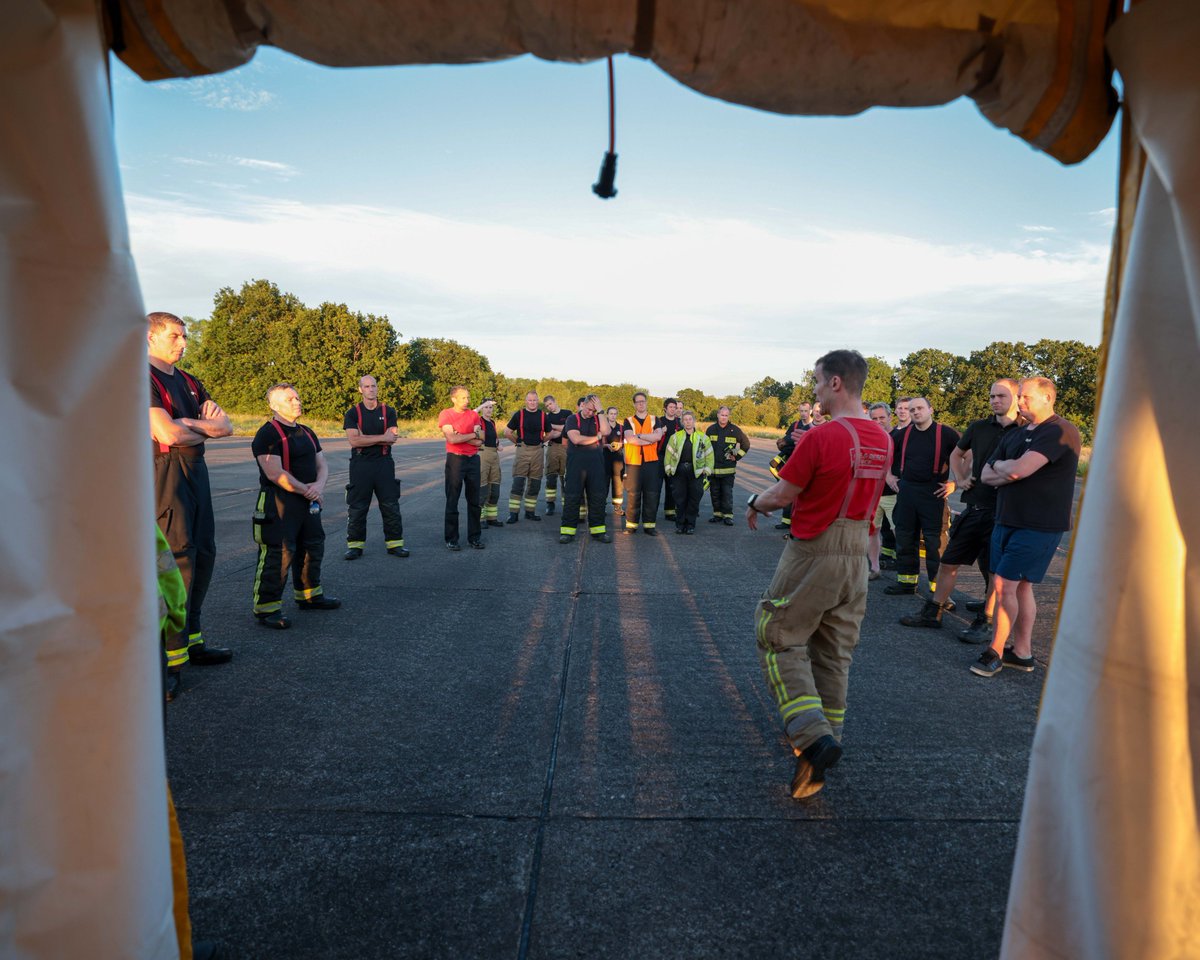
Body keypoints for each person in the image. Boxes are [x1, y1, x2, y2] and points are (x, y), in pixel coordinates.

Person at [745, 350, 891, 799]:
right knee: (833, 654)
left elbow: (782, 495)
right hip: (857, 558)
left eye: (815, 380)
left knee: (777, 634)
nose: (811, 389)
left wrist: (754, 504)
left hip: (815, 552)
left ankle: (811, 736)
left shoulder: (822, 436)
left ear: (835, 384)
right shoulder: (885, 440)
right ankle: (820, 756)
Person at [147, 312, 234, 699]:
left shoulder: (190, 381)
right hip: (163, 474)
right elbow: (165, 432)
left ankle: (192, 642)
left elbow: (226, 427)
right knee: (175, 564)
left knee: (204, 556)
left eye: (185, 336)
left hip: (195, 471)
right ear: (149, 338)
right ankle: (164, 663)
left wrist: (189, 424)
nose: (183, 343)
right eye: (175, 336)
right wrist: (197, 427)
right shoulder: (140, 379)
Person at [970, 377, 1081, 677]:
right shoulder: (1015, 435)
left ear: (1047, 397)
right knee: (1020, 588)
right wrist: (1009, 469)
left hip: (1038, 525)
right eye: (1019, 397)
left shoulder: (1060, 431)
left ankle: (994, 650)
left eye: (1026, 397)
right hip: (1006, 519)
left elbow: (1018, 470)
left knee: (1005, 585)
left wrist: (1007, 468)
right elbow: (985, 475)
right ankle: (1022, 653)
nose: (1019, 403)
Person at [898, 380, 1019, 634]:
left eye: (1001, 396)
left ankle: (985, 621)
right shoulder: (979, 427)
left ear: (1017, 397)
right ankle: (934, 611)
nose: (995, 400)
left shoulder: (1025, 429)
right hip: (975, 507)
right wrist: (962, 480)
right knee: (949, 560)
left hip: (1004, 511)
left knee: (993, 569)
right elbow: (957, 453)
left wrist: (953, 483)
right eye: (992, 395)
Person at [250, 383, 340, 628]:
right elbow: (274, 473)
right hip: (278, 502)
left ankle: (309, 596)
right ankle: (267, 609)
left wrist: (319, 487)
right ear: (274, 405)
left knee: (312, 546)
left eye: (297, 397)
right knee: (278, 553)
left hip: (307, 499)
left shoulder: (307, 432)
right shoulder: (267, 434)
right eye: (290, 399)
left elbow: (321, 464)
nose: (297, 402)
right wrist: (308, 490)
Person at [884, 397, 960, 596]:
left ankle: (939, 592)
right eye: (912, 409)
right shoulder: (902, 435)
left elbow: (966, 455)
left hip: (934, 493)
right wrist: (889, 476)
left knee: (935, 544)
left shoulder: (946, 433)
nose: (916, 412)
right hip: (907, 492)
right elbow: (886, 455)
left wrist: (957, 483)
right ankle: (907, 583)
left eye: (920, 408)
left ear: (930, 409)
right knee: (905, 538)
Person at [342, 374, 407, 560]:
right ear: (360, 389)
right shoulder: (352, 413)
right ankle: (355, 546)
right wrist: (381, 438)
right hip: (360, 465)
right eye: (367, 386)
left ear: (377, 388)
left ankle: (395, 544)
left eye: (374, 386)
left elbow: (392, 438)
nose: (371, 389)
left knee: (390, 505)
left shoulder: (390, 411)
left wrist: (366, 438)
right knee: (357, 507)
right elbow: (354, 440)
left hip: (384, 463)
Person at [558, 394, 613, 544]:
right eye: (589, 409)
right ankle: (567, 532)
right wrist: (596, 437)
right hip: (576, 464)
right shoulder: (572, 419)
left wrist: (601, 411)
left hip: (596, 464)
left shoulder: (598, 417)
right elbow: (576, 439)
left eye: (594, 411)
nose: (590, 413)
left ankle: (598, 531)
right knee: (572, 497)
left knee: (597, 497)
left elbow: (606, 431)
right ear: (582, 405)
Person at [438, 385, 485, 550]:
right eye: (463, 397)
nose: (467, 400)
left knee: (474, 501)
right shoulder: (446, 414)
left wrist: (462, 436)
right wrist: (470, 435)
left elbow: (481, 439)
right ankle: (452, 539)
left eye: (468, 397)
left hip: (473, 460)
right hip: (455, 460)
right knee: (452, 500)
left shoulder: (473, 415)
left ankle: (474, 537)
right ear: (454, 399)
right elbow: (451, 438)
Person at [664, 410, 715, 534]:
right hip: (679, 471)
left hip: (696, 472)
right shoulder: (675, 437)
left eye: (690, 419)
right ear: (682, 422)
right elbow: (668, 454)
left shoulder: (703, 437)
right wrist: (668, 469)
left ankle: (690, 525)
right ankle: (680, 525)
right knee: (680, 499)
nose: (687, 422)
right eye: (685, 419)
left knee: (694, 499)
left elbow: (709, 456)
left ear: (694, 421)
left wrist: (707, 470)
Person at [621, 391, 665, 535]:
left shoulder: (654, 419)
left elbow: (658, 436)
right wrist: (648, 439)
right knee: (633, 494)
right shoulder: (628, 420)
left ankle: (649, 526)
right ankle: (631, 525)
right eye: (638, 401)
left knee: (651, 494)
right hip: (634, 463)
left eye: (643, 401)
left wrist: (639, 436)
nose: (641, 403)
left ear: (646, 402)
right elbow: (630, 439)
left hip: (651, 462)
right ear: (634, 404)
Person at [504, 390, 548, 523]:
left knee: (535, 483)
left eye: (535, 400)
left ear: (537, 401)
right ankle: (513, 514)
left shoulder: (543, 415)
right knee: (518, 483)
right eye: (530, 400)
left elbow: (550, 433)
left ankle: (530, 512)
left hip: (538, 452)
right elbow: (507, 432)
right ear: (526, 401)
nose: (532, 402)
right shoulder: (519, 414)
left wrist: (542, 441)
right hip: (523, 451)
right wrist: (518, 442)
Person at [774, 401, 816, 531]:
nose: (803, 413)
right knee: (788, 493)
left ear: (811, 411)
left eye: (805, 411)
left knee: (805, 497)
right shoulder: (795, 425)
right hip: (793, 463)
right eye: (801, 411)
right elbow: (786, 442)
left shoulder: (814, 426)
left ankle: (802, 523)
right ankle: (786, 522)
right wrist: (780, 450)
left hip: (808, 466)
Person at [705, 406, 751, 525]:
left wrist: (737, 456)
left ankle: (728, 516)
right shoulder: (710, 430)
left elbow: (746, 444)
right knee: (714, 493)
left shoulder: (735, 430)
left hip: (728, 470)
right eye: (722, 415)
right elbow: (704, 448)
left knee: (726, 493)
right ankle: (717, 514)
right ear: (718, 415)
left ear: (728, 416)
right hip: (713, 470)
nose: (724, 417)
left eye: (726, 415)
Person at [866, 403, 894, 578]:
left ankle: (907, 574)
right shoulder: (869, 437)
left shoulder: (898, 436)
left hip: (893, 493)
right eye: (874, 418)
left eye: (882, 417)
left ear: (890, 417)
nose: (878, 421)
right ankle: (874, 568)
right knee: (872, 531)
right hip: (873, 493)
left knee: (899, 531)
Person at [476, 398, 506, 527]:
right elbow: (472, 415)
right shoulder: (478, 420)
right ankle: (480, 519)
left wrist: (498, 445)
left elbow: (493, 438)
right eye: (486, 407)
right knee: (482, 488)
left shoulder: (492, 422)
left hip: (494, 455)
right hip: (483, 454)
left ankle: (491, 518)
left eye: (490, 407)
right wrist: (481, 405)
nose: (488, 410)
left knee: (494, 487)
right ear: (482, 408)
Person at [542, 394, 571, 515]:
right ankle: (550, 504)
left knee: (566, 477)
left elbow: (568, 428)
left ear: (555, 401)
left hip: (566, 448)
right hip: (552, 447)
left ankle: (567, 504)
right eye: (547, 405)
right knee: (551, 476)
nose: (549, 407)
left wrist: (554, 427)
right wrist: (561, 430)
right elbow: (551, 435)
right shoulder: (547, 417)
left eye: (550, 403)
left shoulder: (567, 413)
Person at [657, 398, 682, 524]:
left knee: (672, 486)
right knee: (656, 486)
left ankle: (670, 512)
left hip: (673, 458)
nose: (673, 409)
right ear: (665, 408)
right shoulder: (659, 421)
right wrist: (661, 432)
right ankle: (652, 511)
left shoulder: (679, 423)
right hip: (660, 457)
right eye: (671, 407)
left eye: (675, 407)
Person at [603, 406, 625, 515]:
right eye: (611, 413)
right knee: (604, 483)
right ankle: (602, 507)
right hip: (605, 458)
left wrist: (621, 444)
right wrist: (606, 445)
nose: (613, 415)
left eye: (615, 413)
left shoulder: (621, 428)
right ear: (607, 414)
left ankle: (618, 507)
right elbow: (598, 442)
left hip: (618, 459)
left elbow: (627, 442)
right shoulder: (603, 427)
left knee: (618, 484)